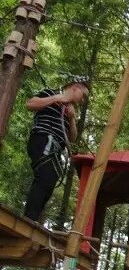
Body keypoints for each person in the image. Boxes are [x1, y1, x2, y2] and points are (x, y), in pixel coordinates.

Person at [23, 76, 89, 221]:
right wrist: (57, 98)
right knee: (45, 176)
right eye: (83, 96)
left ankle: (32, 218)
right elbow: (30, 104)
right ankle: (29, 219)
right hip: (43, 138)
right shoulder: (50, 93)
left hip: (56, 149)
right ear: (75, 88)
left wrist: (71, 118)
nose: (83, 100)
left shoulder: (71, 110)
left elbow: (72, 139)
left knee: (50, 181)